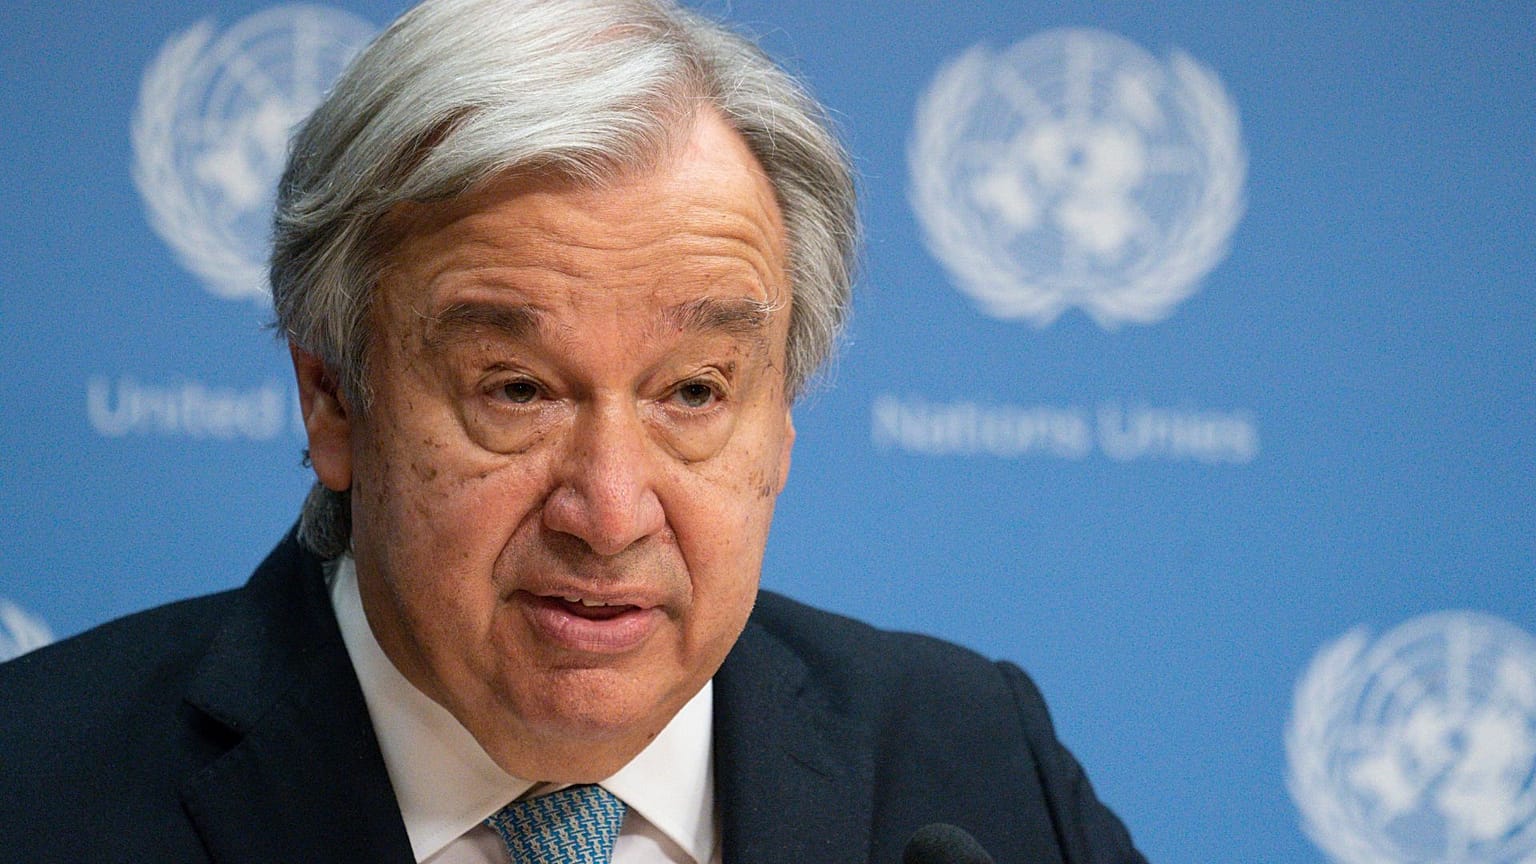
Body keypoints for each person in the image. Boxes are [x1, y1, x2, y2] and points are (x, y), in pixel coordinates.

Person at [0, 1, 1149, 861]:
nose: (608, 512)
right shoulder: (39, 787)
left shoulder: (976, 769)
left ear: (782, 423)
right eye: (517, 389)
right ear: (333, 402)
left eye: (694, 392)